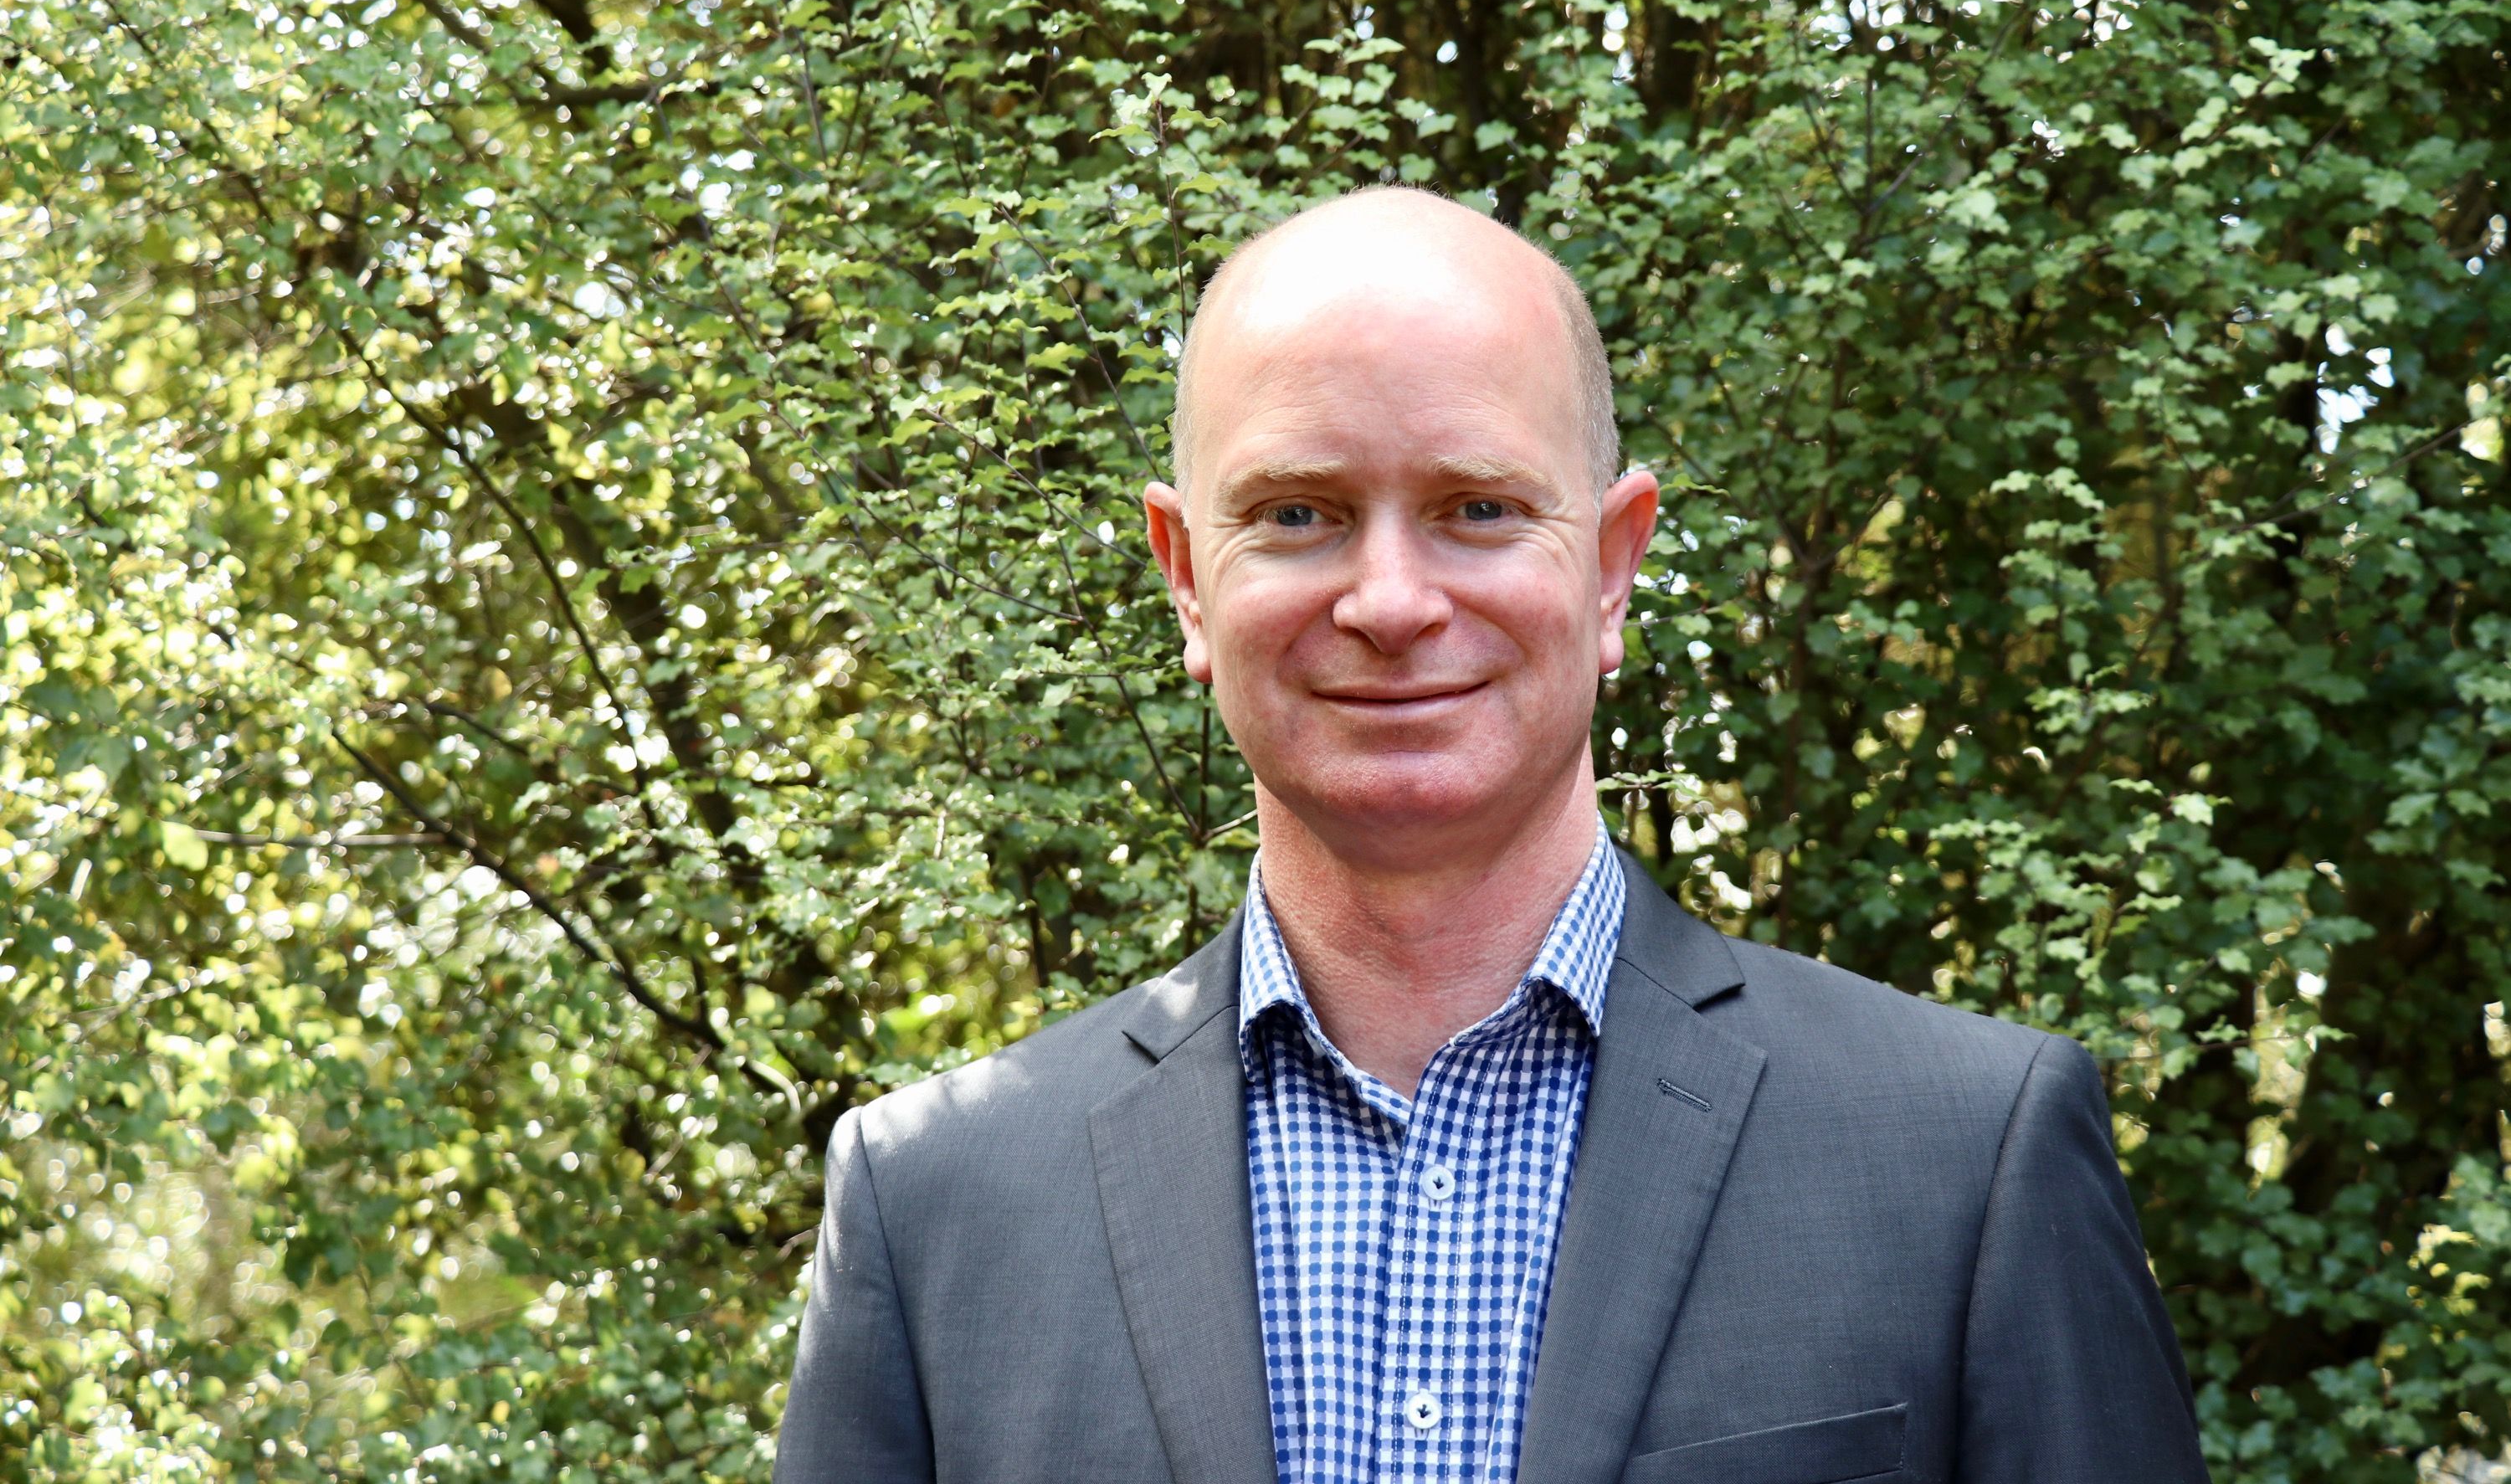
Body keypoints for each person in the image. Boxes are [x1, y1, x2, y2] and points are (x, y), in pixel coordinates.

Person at [773, 187, 2210, 1484]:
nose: (1390, 601)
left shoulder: (1966, 1160)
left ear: (1611, 565)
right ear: (1186, 577)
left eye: (1477, 507)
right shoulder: (938, 1208)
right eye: (1297, 513)